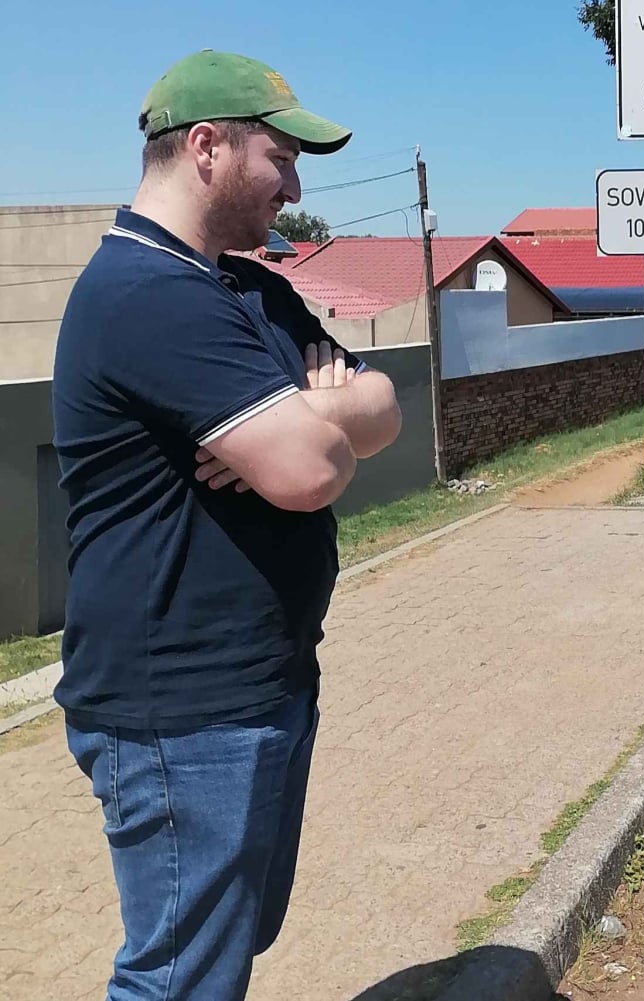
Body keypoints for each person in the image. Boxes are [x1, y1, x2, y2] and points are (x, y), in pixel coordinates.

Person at [51, 50, 402, 1000]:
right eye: (280, 158)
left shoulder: (250, 291)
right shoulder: (145, 294)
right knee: (179, 976)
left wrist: (312, 409)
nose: (295, 186)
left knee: (226, 946)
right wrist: (314, 426)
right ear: (206, 147)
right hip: (182, 711)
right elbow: (315, 471)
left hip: (264, 681)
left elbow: (382, 407)